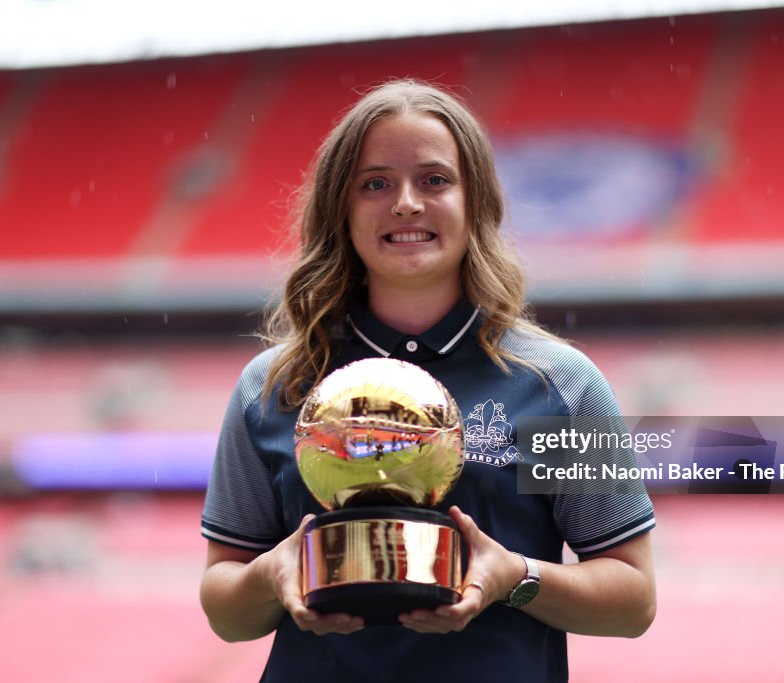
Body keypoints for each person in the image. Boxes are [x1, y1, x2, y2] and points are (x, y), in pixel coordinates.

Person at [199, 79, 656, 682]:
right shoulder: (271, 386)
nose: (406, 203)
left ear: (477, 204)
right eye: (375, 183)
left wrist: (514, 580)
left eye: (435, 180)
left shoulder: (561, 385)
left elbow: (633, 599)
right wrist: (272, 574)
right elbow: (227, 609)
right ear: (341, 206)